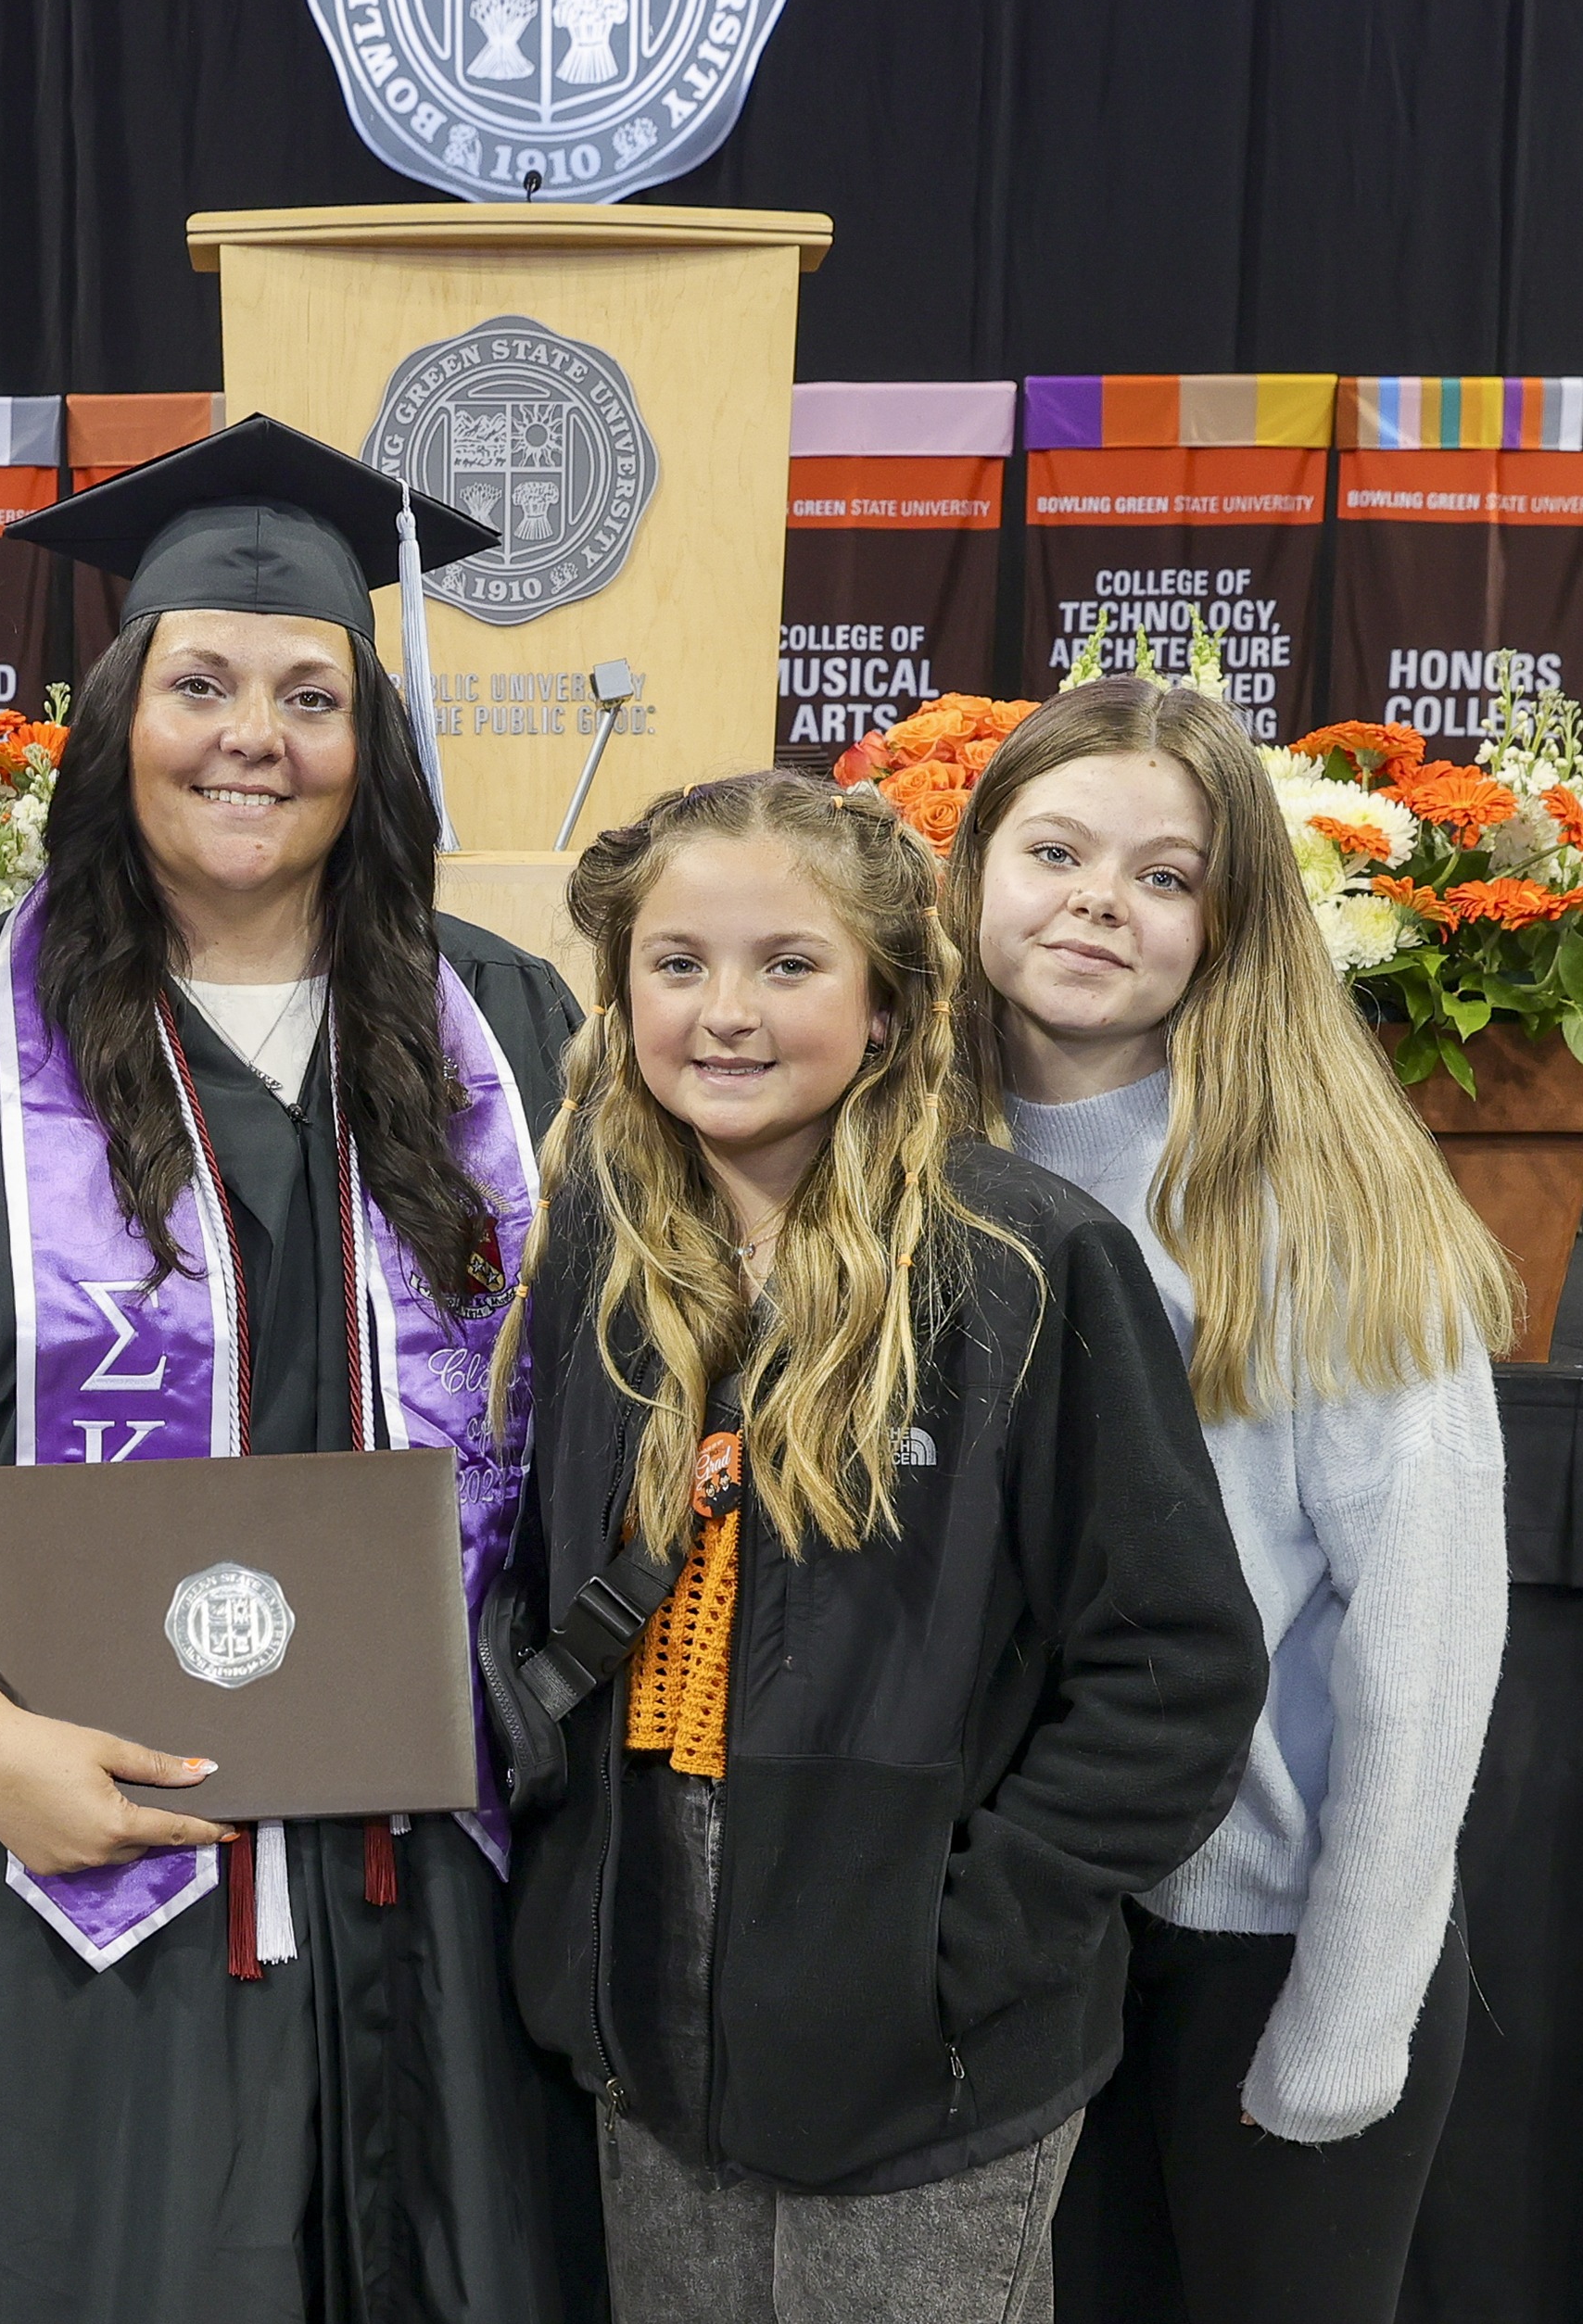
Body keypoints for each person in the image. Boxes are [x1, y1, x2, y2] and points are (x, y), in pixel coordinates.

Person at [0, 415, 599, 2324]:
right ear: (119, 713)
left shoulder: (505, 1024)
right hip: (74, 1888)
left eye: (308, 692)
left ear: (376, 744)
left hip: (425, 1877)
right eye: (198, 681)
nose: (250, 733)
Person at [495, 769, 1270, 2324]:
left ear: (893, 1007)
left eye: (789, 966)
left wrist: (958, 1952)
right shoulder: (598, 1247)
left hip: (922, 2063)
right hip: (648, 2030)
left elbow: (1175, 1669)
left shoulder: (1026, 1265)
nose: (726, 1012)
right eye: (677, 963)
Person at [950, 677, 1514, 2324]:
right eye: (1053, 849)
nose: (1095, 904)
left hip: (1262, 1937)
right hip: (1003, 1917)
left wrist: (1348, 2011)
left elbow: (1425, 1646)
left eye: (1165, 874)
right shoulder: (879, 1165)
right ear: (974, 867)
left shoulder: (1321, 1207)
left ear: (1231, 920)